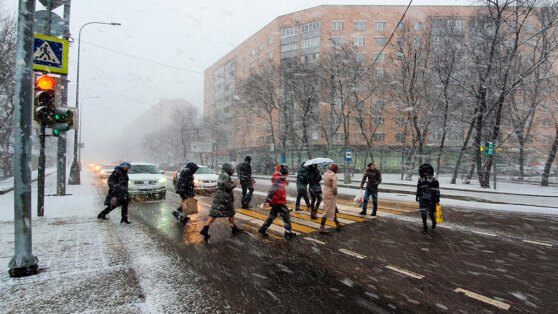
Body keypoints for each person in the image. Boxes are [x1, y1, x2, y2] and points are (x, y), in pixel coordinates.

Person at [199, 163, 243, 242]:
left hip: (221, 197)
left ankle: (205, 228)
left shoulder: (223, 175)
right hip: (224, 198)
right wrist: (234, 184)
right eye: (231, 168)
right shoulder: (226, 175)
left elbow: (223, 184)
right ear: (228, 169)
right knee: (229, 213)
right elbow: (227, 186)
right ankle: (233, 228)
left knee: (216, 214)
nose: (232, 170)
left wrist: (231, 182)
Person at [258, 164, 296, 239]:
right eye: (286, 175)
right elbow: (272, 190)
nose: (287, 176)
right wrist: (267, 200)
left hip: (277, 201)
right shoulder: (278, 181)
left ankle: (262, 229)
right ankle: (288, 233)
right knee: (286, 218)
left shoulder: (280, 179)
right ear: (284, 174)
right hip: (279, 202)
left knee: (272, 217)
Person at [416, 163, 440, 233]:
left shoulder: (432, 181)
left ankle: (429, 225)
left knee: (426, 212)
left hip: (426, 199)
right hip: (427, 199)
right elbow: (437, 191)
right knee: (427, 212)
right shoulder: (434, 181)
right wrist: (437, 199)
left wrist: (417, 195)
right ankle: (426, 226)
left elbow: (419, 189)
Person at [320, 163, 342, 234]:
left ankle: (337, 223)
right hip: (331, 194)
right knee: (327, 211)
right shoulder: (333, 175)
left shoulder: (326, 174)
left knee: (333, 208)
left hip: (325, 191)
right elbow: (334, 187)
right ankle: (322, 227)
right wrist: (335, 193)